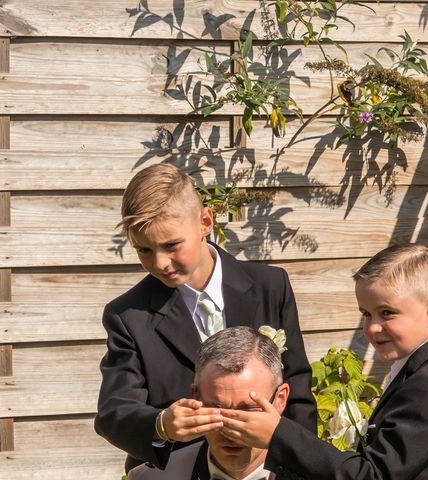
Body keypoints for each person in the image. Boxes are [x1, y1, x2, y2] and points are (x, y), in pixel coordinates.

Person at [94, 164, 316, 475]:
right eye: (143, 250)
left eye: (171, 245)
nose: (159, 263)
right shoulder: (128, 315)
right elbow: (113, 412)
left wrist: (299, 467)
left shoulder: (270, 286)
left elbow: (298, 390)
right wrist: (161, 425)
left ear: (205, 222)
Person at [219, 244, 428, 479]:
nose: (372, 328)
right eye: (366, 314)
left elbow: (372, 475)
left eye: (387, 313)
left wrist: (279, 434)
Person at [128, 326, 290, 480]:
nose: (230, 431)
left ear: (280, 400)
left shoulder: (312, 473)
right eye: (217, 409)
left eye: (247, 410)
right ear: (196, 397)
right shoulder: (148, 477)